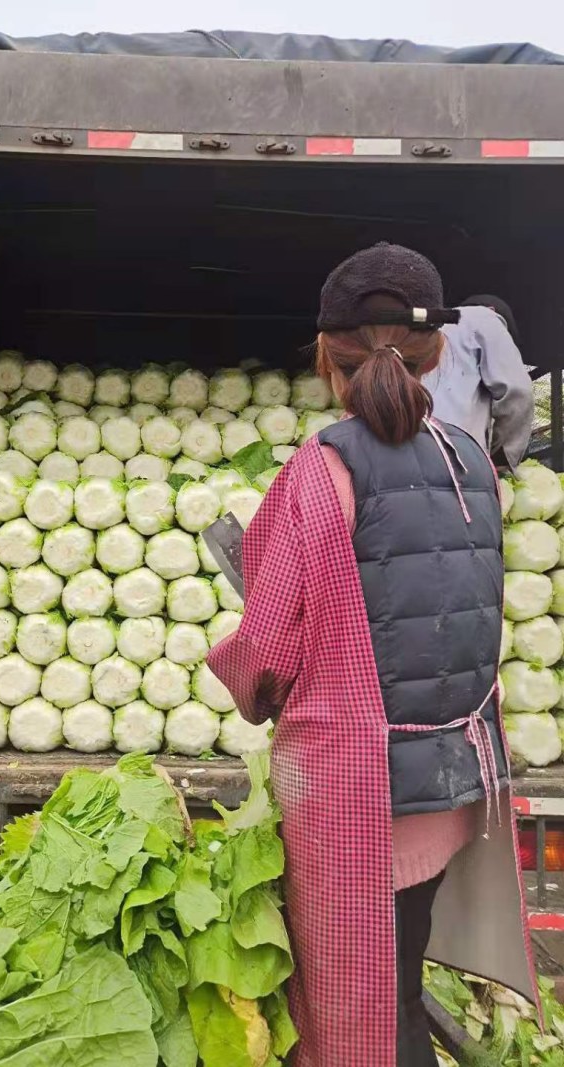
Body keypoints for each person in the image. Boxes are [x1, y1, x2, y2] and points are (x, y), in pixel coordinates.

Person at [206, 243, 537, 1067]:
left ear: (328, 356)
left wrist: (244, 680)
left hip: (362, 799)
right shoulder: (475, 463)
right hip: (447, 786)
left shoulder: (321, 470)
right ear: (438, 355)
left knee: (361, 1019)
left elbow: (269, 649)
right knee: (398, 983)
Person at [425, 294, 533, 470]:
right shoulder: (484, 318)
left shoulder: (430, 330)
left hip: (409, 450)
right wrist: (502, 457)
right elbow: (518, 393)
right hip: (457, 457)